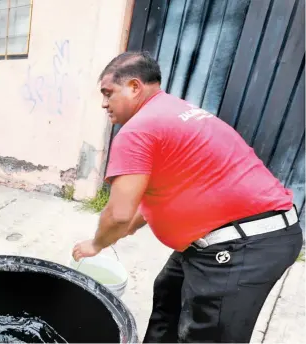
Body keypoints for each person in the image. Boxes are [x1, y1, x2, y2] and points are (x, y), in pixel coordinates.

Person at [72, 51, 302, 342]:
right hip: (232, 236)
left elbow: (118, 213)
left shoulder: (137, 131)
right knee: (170, 292)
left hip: (244, 244)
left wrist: (97, 243)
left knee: (207, 334)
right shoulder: (175, 112)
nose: (104, 104)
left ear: (134, 87)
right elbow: (159, 195)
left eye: (108, 93)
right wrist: (125, 229)